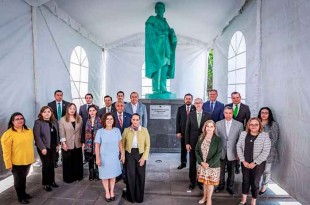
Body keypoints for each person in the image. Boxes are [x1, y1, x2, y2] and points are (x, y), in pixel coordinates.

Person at [1, 112, 35, 204]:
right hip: (16, 162)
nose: (20, 120)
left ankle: (24, 193)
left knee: (23, 178)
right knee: (19, 181)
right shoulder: (8, 134)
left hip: (27, 160)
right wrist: (8, 164)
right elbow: (6, 151)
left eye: (21, 118)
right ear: (12, 122)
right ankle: (21, 197)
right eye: (17, 119)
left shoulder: (29, 131)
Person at [237, 117, 271, 205]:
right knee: (245, 180)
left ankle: (253, 200)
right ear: (248, 125)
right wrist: (243, 160)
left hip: (258, 164)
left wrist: (255, 162)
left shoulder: (265, 135)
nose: (253, 126)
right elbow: (238, 147)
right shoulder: (243, 134)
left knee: (255, 182)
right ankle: (243, 200)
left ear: (259, 125)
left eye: (256, 124)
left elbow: (266, 151)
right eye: (251, 124)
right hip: (245, 162)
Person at [145, 1, 177, 93]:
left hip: (166, 47)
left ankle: (163, 88)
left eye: (161, 8)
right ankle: (156, 89)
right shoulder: (151, 20)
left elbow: (169, 33)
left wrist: (172, 34)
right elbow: (150, 33)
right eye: (158, 7)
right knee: (157, 67)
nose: (159, 9)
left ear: (164, 10)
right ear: (155, 10)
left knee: (165, 67)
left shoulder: (165, 22)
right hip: (157, 48)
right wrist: (162, 34)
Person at [95, 113, 124, 202]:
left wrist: (122, 154)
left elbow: (120, 144)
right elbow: (97, 146)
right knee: (104, 176)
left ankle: (112, 191)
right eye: (107, 119)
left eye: (111, 119)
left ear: (113, 120)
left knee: (112, 176)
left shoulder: (117, 130)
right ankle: (107, 192)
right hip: (103, 157)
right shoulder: (100, 131)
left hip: (114, 157)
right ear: (104, 120)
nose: (109, 120)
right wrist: (97, 158)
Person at [122, 113, 151, 203]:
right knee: (130, 176)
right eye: (133, 119)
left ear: (139, 120)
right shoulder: (126, 130)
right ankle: (131, 197)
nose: (135, 121)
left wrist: (143, 158)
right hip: (129, 154)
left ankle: (139, 197)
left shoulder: (144, 130)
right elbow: (122, 145)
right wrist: (123, 155)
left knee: (140, 176)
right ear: (131, 120)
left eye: (137, 119)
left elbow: (148, 145)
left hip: (140, 154)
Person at [215, 106, 243, 195]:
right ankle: (221, 185)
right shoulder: (218, 124)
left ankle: (230, 187)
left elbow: (241, 139)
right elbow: (216, 138)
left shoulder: (239, 124)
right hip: (221, 151)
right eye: (226, 113)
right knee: (221, 171)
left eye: (230, 113)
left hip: (233, 152)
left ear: (232, 114)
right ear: (223, 113)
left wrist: (239, 152)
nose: (228, 115)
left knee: (232, 172)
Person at [185, 98, 211, 190]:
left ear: (202, 103)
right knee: (192, 163)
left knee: (202, 163)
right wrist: (187, 143)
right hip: (192, 143)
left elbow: (210, 129)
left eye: (199, 102)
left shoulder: (207, 115)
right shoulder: (190, 115)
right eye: (196, 103)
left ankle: (200, 181)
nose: (198, 104)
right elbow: (187, 130)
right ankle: (192, 181)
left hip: (204, 143)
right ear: (194, 104)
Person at [33, 106, 60, 192]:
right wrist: (42, 148)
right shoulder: (38, 122)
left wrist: (57, 144)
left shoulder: (54, 121)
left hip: (53, 147)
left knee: (52, 164)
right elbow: (37, 137)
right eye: (44, 112)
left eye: (49, 111)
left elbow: (57, 134)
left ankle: (52, 181)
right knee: (46, 165)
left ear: (51, 113)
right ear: (41, 113)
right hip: (44, 148)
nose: (47, 113)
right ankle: (46, 183)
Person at [195, 120, 221, 205]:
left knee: (210, 184)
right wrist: (201, 162)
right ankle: (204, 197)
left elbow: (219, 154)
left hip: (212, 166)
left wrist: (208, 164)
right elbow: (197, 151)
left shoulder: (217, 139)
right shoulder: (201, 137)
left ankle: (209, 200)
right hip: (202, 165)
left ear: (214, 128)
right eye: (207, 126)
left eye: (211, 126)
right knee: (204, 183)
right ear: (205, 127)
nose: (209, 128)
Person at [226, 91, 251, 174]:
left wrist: (246, 133)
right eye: (233, 98)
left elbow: (247, 121)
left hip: (240, 132)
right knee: (229, 148)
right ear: (231, 98)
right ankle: (228, 166)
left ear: (240, 98)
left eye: (237, 97)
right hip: (228, 131)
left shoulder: (245, 107)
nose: (235, 99)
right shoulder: (227, 106)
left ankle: (237, 166)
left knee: (238, 148)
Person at [59, 103, 83, 183]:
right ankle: (69, 178)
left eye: (74, 108)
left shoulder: (79, 118)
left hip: (78, 143)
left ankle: (78, 177)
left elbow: (81, 131)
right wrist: (64, 143)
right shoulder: (62, 120)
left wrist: (83, 142)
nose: (72, 110)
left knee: (77, 161)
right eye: (70, 108)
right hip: (67, 144)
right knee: (68, 162)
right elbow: (61, 133)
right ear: (67, 109)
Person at [257, 107, 279, 195]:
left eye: (266, 112)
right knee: (257, 170)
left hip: (269, 151)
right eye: (262, 112)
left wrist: (264, 147)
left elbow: (274, 139)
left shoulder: (273, 124)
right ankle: (256, 184)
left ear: (269, 114)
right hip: (256, 150)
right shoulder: (256, 122)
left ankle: (264, 187)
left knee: (266, 170)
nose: (264, 114)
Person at [47, 89, 70, 168]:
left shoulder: (67, 104)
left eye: (61, 95)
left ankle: (64, 159)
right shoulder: (50, 104)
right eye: (58, 95)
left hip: (65, 126)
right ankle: (55, 160)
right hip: (54, 126)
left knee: (65, 142)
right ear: (54, 96)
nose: (59, 96)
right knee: (55, 143)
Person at [176, 93, 196, 169]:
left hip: (193, 133)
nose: (188, 100)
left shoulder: (195, 108)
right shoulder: (180, 108)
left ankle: (193, 165)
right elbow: (178, 121)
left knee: (193, 150)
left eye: (189, 99)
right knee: (183, 149)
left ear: (192, 100)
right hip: (183, 133)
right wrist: (178, 132)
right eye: (186, 98)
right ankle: (183, 163)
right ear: (184, 100)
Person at [83, 105, 102, 181]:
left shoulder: (100, 120)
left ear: (96, 111)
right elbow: (82, 132)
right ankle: (91, 173)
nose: (92, 112)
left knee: (97, 158)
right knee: (90, 159)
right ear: (88, 112)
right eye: (90, 111)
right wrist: (83, 143)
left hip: (98, 143)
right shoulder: (86, 120)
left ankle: (97, 173)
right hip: (89, 143)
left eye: (93, 110)